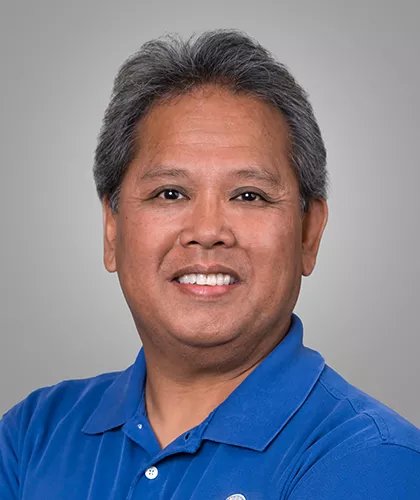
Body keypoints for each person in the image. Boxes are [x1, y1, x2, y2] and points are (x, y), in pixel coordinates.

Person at [1, 30, 419, 499]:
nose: (207, 230)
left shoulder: (373, 462)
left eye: (249, 195)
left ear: (308, 233)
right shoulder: (32, 437)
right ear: (112, 229)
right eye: (170, 193)